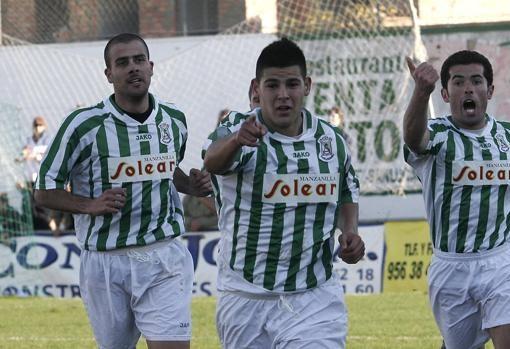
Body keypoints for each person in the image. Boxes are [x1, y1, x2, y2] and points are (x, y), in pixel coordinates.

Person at [34, 33, 211, 349]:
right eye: (122, 63)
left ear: (151, 67)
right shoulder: (83, 125)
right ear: (109, 74)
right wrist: (90, 205)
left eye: (139, 60)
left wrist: (191, 186)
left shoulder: (174, 121)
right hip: (105, 262)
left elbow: (168, 170)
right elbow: (45, 191)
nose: (133, 68)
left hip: (163, 256)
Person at [203, 37, 365, 348]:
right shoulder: (239, 128)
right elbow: (213, 162)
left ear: (306, 85)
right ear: (257, 88)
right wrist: (237, 140)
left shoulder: (330, 140)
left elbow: (346, 190)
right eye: (272, 85)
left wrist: (351, 232)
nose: (282, 95)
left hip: (313, 294)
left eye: (291, 84)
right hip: (245, 295)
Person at [404, 50, 510, 349]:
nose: (468, 88)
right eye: (458, 82)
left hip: (500, 261)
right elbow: (413, 139)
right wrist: (420, 92)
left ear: (489, 90)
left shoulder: (507, 138)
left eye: (476, 81)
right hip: (451, 266)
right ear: (446, 93)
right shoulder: (436, 135)